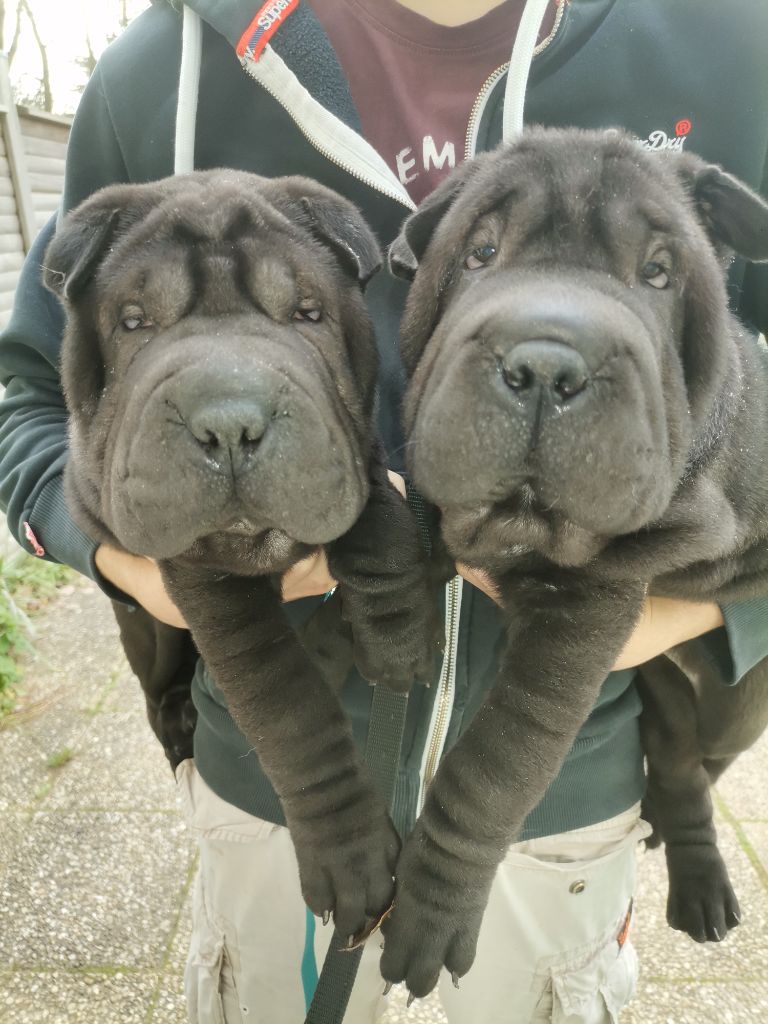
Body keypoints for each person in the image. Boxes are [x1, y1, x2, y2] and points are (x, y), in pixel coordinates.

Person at [1, 0, 767, 1021]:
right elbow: (29, 402)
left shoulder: (733, 47)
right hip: (270, 792)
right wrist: (115, 555)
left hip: (563, 808)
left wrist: (716, 607)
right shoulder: (163, 68)